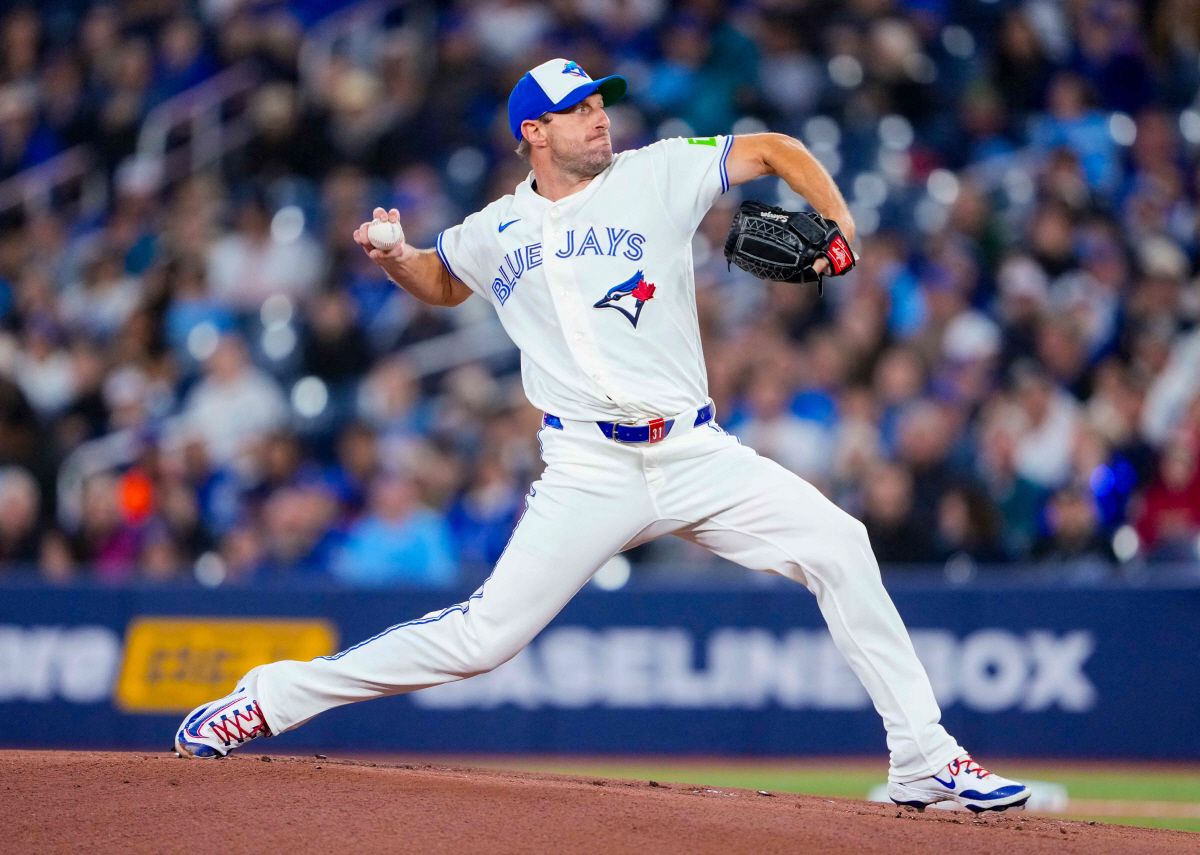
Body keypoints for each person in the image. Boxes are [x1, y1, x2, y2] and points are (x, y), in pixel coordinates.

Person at [174, 58, 1029, 814]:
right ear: (533, 132)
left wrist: (839, 226)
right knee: (482, 640)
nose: (599, 115)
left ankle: (921, 755)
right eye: (579, 107)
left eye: (600, 101)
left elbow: (770, 149)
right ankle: (273, 697)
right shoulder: (493, 228)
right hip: (587, 465)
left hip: (695, 452)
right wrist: (398, 256)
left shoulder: (656, 172)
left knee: (840, 543)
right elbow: (444, 279)